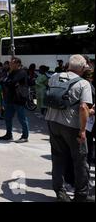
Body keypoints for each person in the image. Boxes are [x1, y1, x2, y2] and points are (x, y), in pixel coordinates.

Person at [45, 54, 94, 202]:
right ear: (82, 67)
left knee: (58, 158)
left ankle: (60, 193)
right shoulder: (83, 83)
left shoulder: (54, 76)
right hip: (72, 126)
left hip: (52, 122)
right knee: (80, 161)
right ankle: (81, 195)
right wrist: (83, 130)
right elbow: (84, 108)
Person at [0, 57, 30, 143]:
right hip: (10, 98)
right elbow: (2, 80)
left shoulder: (22, 72)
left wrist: (7, 81)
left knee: (22, 118)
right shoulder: (10, 72)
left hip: (19, 99)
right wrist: (7, 80)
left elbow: (12, 82)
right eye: (9, 63)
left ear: (18, 64)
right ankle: (9, 134)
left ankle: (25, 136)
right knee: (7, 117)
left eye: (12, 63)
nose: (10, 65)